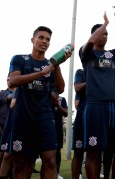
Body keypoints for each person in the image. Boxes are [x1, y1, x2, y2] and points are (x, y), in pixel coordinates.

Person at [8, 26, 72, 179]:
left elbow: (61, 89)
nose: (44, 41)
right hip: (23, 118)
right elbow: (13, 81)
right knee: (23, 163)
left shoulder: (50, 64)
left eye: (48, 39)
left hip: (44, 118)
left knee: (50, 161)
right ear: (33, 40)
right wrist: (41, 73)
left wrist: (56, 65)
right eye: (41, 37)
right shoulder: (19, 59)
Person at [79, 6, 115, 179]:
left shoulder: (112, 55)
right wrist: (104, 23)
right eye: (101, 33)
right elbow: (89, 43)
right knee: (93, 153)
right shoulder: (86, 54)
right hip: (95, 105)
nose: (104, 35)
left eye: (106, 34)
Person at [71, 69, 86, 179]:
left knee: (95, 152)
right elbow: (77, 89)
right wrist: (91, 79)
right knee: (78, 152)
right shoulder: (81, 72)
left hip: (98, 115)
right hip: (82, 116)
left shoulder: (104, 72)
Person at [51, 92, 68, 179]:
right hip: (46, 127)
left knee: (57, 151)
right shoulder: (44, 96)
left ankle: (57, 172)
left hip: (57, 128)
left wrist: (56, 103)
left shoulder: (62, 99)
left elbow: (66, 113)